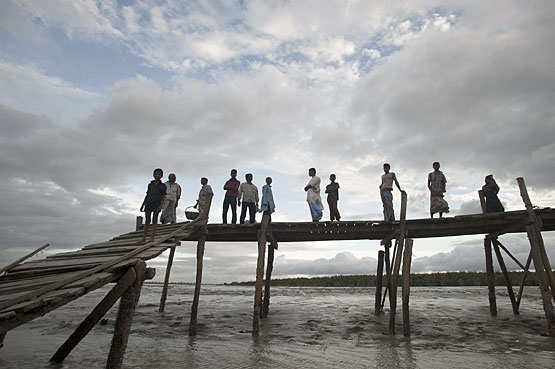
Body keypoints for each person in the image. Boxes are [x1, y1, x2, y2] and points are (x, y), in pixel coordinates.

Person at [140, 168, 166, 243]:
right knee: (147, 220)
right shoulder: (150, 185)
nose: (156, 175)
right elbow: (147, 195)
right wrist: (143, 204)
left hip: (157, 204)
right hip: (148, 203)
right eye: (155, 174)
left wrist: (161, 206)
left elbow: (164, 196)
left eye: (158, 174)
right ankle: (144, 237)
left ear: (161, 176)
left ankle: (152, 237)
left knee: (154, 220)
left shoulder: (163, 186)